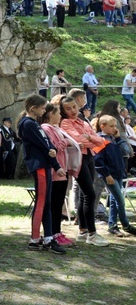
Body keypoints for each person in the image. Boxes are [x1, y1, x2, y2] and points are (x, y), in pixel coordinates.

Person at [18, 94, 67, 254]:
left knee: (47, 203)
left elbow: (47, 144)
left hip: (45, 165)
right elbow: (44, 145)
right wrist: (51, 154)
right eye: (42, 108)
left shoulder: (34, 124)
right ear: (33, 109)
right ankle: (35, 238)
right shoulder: (28, 124)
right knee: (42, 202)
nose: (45, 110)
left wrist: (55, 163)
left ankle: (47, 237)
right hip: (39, 166)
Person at [59, 95, 109, 247]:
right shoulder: (66, 122)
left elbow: (101, 140)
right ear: (63, 111)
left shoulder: (82, 121)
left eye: (74, 107)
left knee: (83, 194)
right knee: (90, 194)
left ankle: (83, 230)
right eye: (68, 108)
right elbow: (78, 141)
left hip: (89, 157)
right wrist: (90, 139)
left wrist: (90, 138)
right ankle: (92, 234)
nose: (72, 110)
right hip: (78, 159)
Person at [40, 103, 79, 246]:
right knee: (54, 204)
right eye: (58, 113)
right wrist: (66, 141)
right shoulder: (46, 128)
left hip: (62, 170)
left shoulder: (56, 128)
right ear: (51, 114)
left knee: (59, 202)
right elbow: (53, 147)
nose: (61, 116)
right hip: (55, 171)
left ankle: (58, 231)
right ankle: (53, 233)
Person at [94, 115, 136, 237]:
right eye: (111, 126)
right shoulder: (99, 140)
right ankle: (126, 224)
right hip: (109, 175)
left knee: (114, 201)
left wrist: (118, 138)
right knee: (120, 200)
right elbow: (98, 161)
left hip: (118, 173)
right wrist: (107, 175)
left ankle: (112, 226)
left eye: (115, 126)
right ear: (103, 126)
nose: (114, 128)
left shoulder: (113, 139)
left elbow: (127, 151)